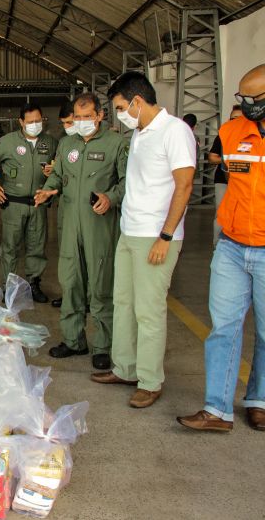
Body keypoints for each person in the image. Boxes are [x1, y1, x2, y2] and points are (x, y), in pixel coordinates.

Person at [90, 71, 196, 409]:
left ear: (137, 101)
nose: (120, 114)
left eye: (121, 107)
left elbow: (184, 186)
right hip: (129, 232)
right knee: (123, 303)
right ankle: (125, 367)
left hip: (155, 236)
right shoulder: (140, 133)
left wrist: (165, 236)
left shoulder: (175, 131)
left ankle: (150, 381)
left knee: (148, 311)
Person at [178, 64, 265, 432]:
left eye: (253, 98)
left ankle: (259, 400)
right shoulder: (231, 133)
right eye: (241, 97)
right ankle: (217, 410)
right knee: (223, 328)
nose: (245, 104)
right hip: (230, 246)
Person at [34, 93, 127, 370]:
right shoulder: (66, 144)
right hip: (70, 223)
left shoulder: (117, 145)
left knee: (100, 285)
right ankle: (74, 340)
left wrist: (111, 197)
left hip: (99, 225)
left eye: (88, 117)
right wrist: (50, 188)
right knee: (71, 281)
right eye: (78, 117)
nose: (82, 122)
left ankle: (103, 345)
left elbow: (127, 182)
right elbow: (58, 175)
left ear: (100, 116)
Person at [0, 103, 58, 302]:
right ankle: (9, 287)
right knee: (10, 248)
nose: (35, 125)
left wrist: (53, 172)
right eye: (30, 122)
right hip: (13, 204)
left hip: (38, 204)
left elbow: (61, 168)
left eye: (38, 121)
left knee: (37, 247)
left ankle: (34, 284)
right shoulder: (8, 142)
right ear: (21, 122)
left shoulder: (51, 143)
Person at [50, 101, 79, 309]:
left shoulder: (112, 142)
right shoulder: (65, 143)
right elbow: (58, 173)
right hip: (67, 207)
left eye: (70, 122)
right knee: (68, 256)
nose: (68, 127)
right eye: (65, 123)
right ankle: (70, 296)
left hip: (93, 210)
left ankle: (88, 298)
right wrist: (50, 182)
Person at [208, 105, 243, 245]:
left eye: (240, 118)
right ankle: (218, 245)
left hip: (242, 182)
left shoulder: (254, 137)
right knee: (221, 213)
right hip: (223, 180)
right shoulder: (223, 135)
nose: (236, 121)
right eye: (233, 118)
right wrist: (232, 163)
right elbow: (212, 158)